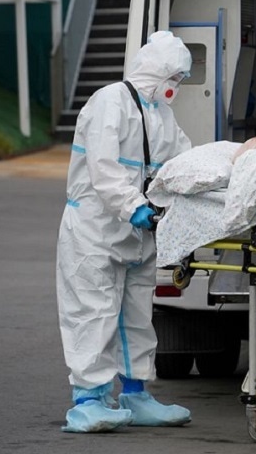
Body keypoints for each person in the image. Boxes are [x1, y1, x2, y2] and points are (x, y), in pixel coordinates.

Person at [56, 31, 194, 433]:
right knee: (93, 313)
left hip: (137, 233)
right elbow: (104, 169)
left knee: (136, 315)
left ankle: (135, 393)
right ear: (158, 71)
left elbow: (181, 159)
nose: (177, 88)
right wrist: (135, 208)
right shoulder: (109, 101)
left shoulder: (160, 114)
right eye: (177, 78)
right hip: (95, 231)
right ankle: (88, 400)